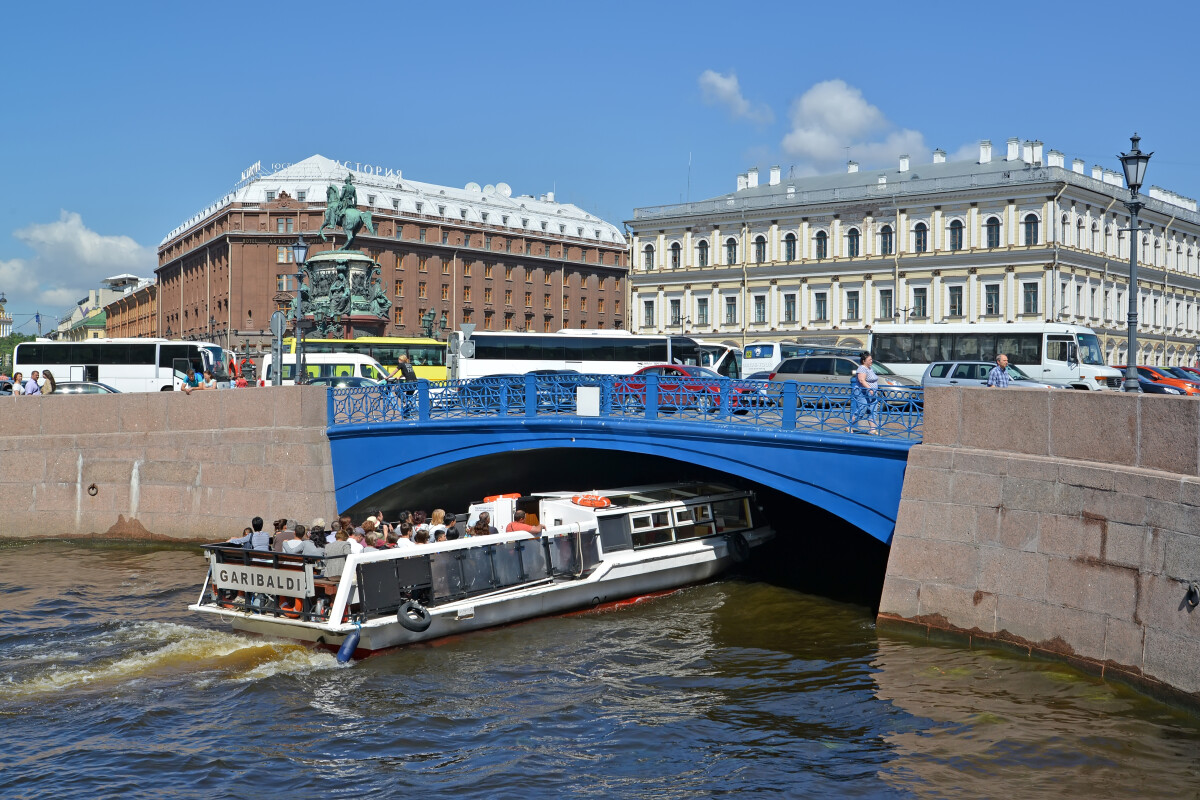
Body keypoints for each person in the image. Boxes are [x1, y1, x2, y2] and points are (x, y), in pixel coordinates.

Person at [848, 352, 880, 435]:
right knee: (862, 409)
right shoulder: (862, 368)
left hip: (872, 393)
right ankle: (849, 426)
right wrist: (869, 389)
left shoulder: (870, 368)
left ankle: (873, 429)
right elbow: (862, 380)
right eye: (869, 359)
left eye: (871, 359)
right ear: (864, 361)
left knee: (873, 409)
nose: (871, 361)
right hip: (863, 392)